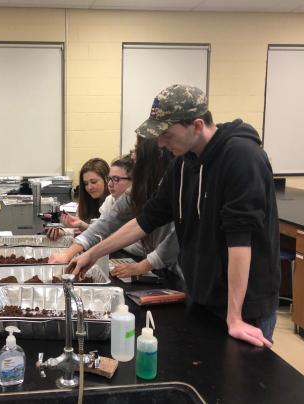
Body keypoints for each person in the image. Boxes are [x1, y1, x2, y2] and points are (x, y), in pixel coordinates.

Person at [70, 84, 280, 348]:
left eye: (167, 134)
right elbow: (145, 219)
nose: (160, 143)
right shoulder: (183, 164)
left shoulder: (241, 157)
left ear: (197, 125)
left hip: (244, 307)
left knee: (241, 384)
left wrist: (235, 316)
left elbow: (240, 240)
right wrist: (93, 252)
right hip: (202, 295)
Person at [51, 138, 181, 288]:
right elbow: (109, 222)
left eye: (136, 149)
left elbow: (173, 239)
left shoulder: (173, 186)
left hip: (182, 272)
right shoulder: (138, 192)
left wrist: (142, 266)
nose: (132, 155)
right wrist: (74, 253)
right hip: (166, 269)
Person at [60, 157, 110, 232]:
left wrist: (82, 225)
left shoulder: (113, 203)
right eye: (86, 184)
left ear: (107, 179)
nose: (89, 187)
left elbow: (107, 234)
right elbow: (79, 230)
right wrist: (63, 232)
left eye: (94, 182)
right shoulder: (86, 202)